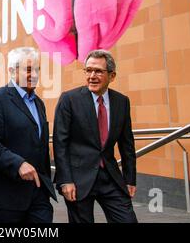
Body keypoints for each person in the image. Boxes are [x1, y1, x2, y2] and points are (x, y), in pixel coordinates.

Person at [53, 49, 137, 223]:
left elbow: (127, 144)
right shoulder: (69, 99)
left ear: (112, 76)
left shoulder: (122, 102)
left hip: (111, 178)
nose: (92, 75)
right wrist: (65, 180)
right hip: (78, 179)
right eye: (88, 70)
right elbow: (60, 143)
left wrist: (130, 179)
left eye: (98, 71)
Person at [0, 47, 57, 223]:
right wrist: (18, 164)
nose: (34, 74)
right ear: (12, 71)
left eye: (37, 69)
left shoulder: (39, 103)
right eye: (28, 69)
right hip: (7, 194)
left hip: (38, 192)